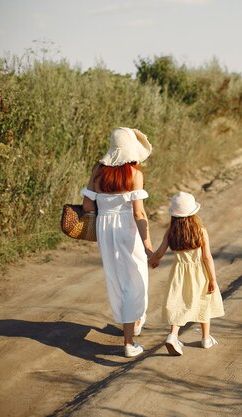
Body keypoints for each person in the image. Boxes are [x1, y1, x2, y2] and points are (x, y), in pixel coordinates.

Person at [82, 127, 153, 358]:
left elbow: (87, 206)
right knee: (135, 278)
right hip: (127, 229)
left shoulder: (98, 171)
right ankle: (129, 341)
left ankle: (133, 322)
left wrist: (105, 206)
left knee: (116, 278)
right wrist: (148, 245)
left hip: (105, 230)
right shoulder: (134, 174)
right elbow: (139, 214)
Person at [149, 191, 224, 356]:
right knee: (204, 302)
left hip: (179, 272)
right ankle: (205, 338)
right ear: (193, 212)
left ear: (174, 214)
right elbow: (207, 257)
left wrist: (153, 260)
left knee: (178, 303)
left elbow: (160, 252)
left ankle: (173, 335)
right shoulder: (200, 230)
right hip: (200, 273)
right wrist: (212, 279)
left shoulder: (172, 231)